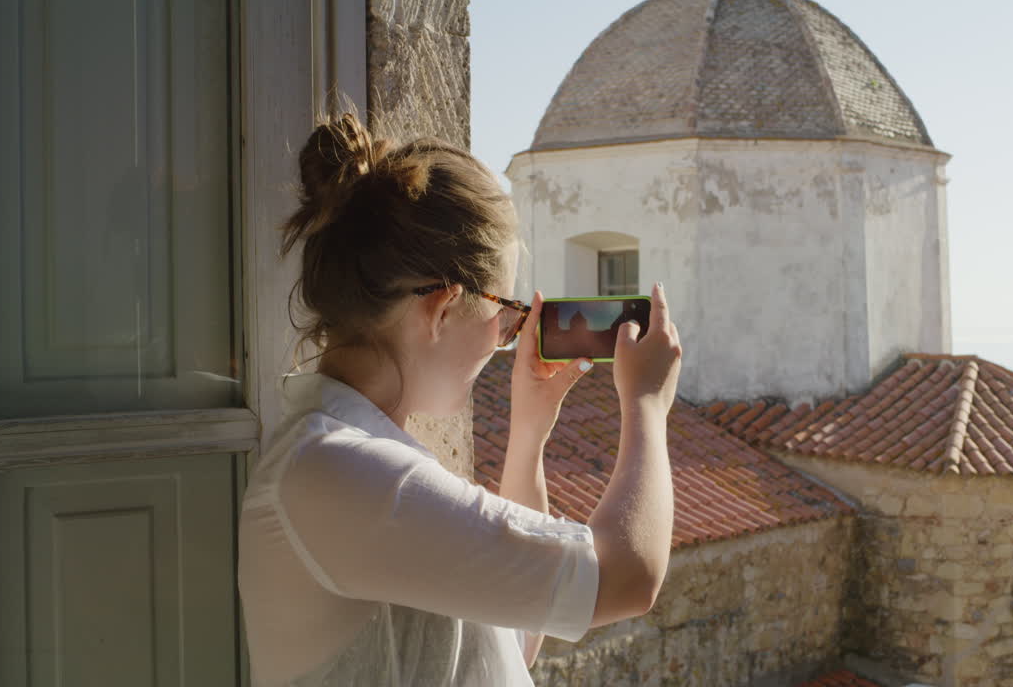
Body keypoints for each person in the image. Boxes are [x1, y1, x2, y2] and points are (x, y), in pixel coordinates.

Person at [237, 113, 682, 686]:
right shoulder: (339, 473)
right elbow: (625, 578)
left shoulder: (354, 463)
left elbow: (519, 637)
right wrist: (647, 405)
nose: (506, 337)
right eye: (506, 312)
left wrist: (528, 434)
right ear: (442, 309)